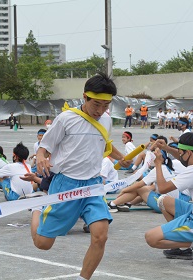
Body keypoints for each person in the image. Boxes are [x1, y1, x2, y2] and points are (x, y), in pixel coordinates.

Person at [33, 73, 131, 280]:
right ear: (84, 97)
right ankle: (37, 209)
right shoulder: (66, 119)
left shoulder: (105, 120)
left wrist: (121, 157)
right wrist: (41, 157)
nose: (101, 110)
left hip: (93, 186)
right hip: (65, 185)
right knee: (43, 244)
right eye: (97, 104)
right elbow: (45, 146)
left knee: (100, 236)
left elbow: (105, 144)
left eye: (106, 105)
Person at [145, 132, 193, 266]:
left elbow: (162, 187)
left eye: (181, 152)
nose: (179, 155)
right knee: (163, 201)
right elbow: (183, 157)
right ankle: (183, 248)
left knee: (151, 238)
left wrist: (158, 164)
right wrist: (167, 149)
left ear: (189, 153)